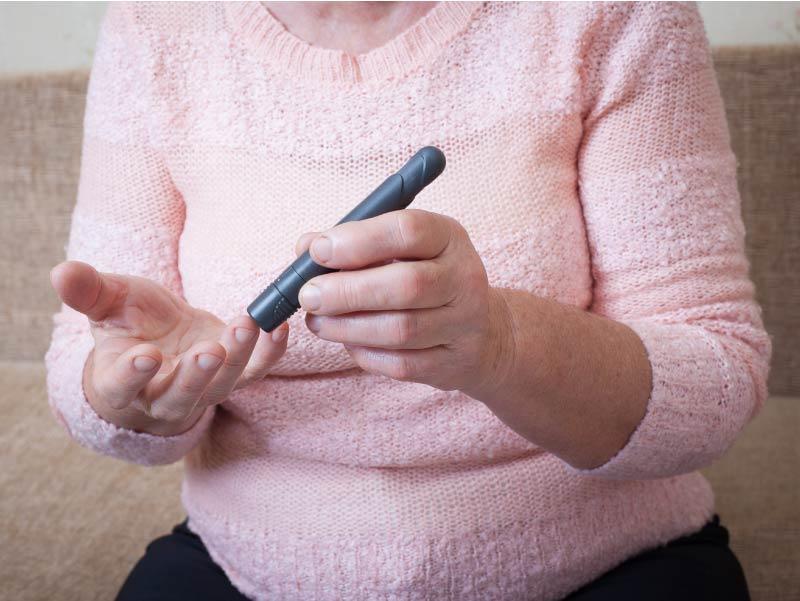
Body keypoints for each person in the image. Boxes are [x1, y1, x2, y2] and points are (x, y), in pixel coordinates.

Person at [45, 2, 771, 600]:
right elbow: (87, 366)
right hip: (247, 571)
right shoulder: (154, 27)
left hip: (607, 565)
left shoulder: (618, 14)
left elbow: (716, 378)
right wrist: (132, 392)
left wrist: (503, 343)